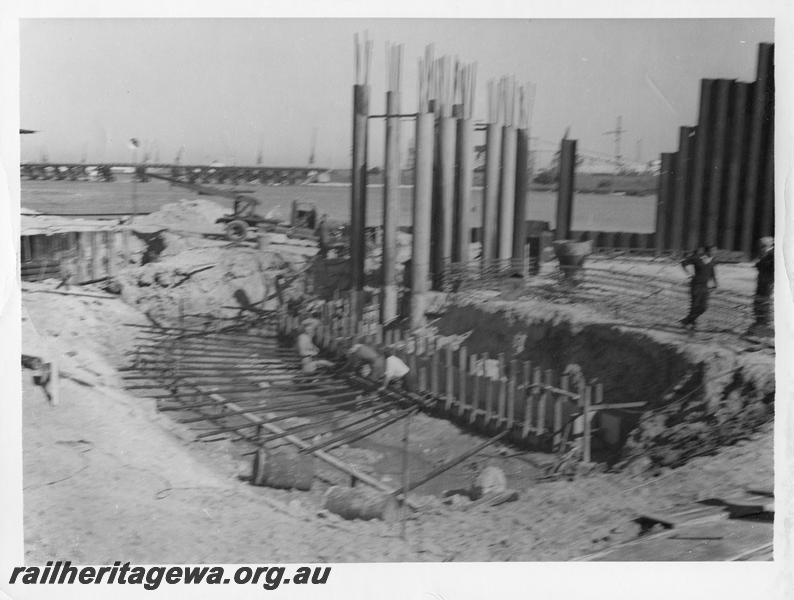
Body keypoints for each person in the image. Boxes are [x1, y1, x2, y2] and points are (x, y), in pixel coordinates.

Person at [680, 246, 718, 330]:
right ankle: (691, 323)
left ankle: (687, 321)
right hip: (696, 285)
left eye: (715, 250)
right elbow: (683, 263)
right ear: (707, 251)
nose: (715, 252)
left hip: (705, 286)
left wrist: (715, 284)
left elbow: (712, 272)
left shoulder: (712, 260)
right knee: (695, 306)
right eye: (713, 250)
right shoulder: (697, 258)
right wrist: (689, 273)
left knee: (703, 307)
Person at [749, 236, 774, 336]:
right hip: (762, 282)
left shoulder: (773, 254)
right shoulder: (765, 253)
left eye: (761, 245)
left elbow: (772, 268)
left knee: (765, 303)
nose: (760, 247)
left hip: (768, 283)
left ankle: (764, 327)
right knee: (758, 302)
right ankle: (759, 324)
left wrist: (759, 265)